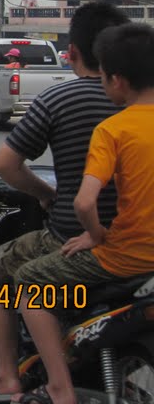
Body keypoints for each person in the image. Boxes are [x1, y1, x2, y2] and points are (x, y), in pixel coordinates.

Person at [0, 2, 129, 402]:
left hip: (75, 238)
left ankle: (8, 377)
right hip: (140, 244)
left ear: (71, 53)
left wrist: (44, 194)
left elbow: (6, 164)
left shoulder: (59, 99)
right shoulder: (140, 106)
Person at [13, 22, 154, 404]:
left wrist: (94, 235)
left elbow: (83, 202)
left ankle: (59, 385)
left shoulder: (114, 129)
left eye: (105, 77)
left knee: (29, 281)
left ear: (117, 81)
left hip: (126, 258)